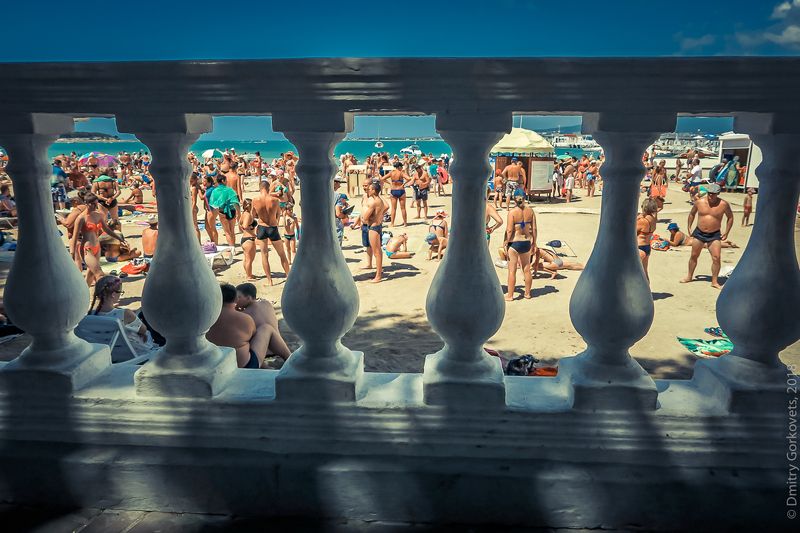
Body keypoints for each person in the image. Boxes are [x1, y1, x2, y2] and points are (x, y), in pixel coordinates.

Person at [680, 182, 734, 289]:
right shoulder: (699, 202)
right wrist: (689, 227)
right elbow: (692, 214)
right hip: (699, 232)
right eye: (709, 193)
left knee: (716, 257)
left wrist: (727, 232)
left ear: (718, 193)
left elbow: (730, 217)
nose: (710, 195)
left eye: (713, 194)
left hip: (714, 234)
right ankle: (689, 276)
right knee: (694, 256)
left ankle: (714, 281)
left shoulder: (723, 204)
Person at [71, 193, 128, 286]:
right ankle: (104, 298)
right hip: (87, 249)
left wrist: (120, 238)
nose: (95, 206)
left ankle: (85, 295)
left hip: (97, 247)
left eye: (96, 203)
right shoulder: (81, 218)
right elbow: (75, 236)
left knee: (90, 274)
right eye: (92, 204)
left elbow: (107, 230)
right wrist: (72, 253)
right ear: (86, 203)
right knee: (99, 274)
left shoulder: (98, 215)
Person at [89, 275, 154, 354]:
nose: (120, 294)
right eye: (120, 292)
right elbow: (143, 330)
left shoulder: (89, 316)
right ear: (113, 294)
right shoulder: (125, 314)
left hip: (109, 353)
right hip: (135, 353)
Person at [206, 283, 265, 369]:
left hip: (214, 364)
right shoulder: (245, 318)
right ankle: (287, 357)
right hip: (245, 366)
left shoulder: (208, 317)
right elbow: (253, 336)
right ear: (236, 299)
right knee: (266, 328)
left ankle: (266, 365)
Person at [235, 283, 292, 362]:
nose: (235, 300)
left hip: (262, 352)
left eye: (238, 297)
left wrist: (237, 312)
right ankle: (289, 358)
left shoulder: (244, 315)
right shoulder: (267, 303)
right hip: (280, 346)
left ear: (248, 298)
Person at [253, 180, 291, 284]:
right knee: (282, 254)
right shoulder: (275, 200)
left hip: (261, 227)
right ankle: (289, 276)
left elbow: (254, 215)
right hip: (272, 227)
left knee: (264, 255)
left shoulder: (255, 200)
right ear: (268, 188)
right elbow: (277, 214)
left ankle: (270, 281)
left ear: (260, 188)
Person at [504, 193, 536, 301]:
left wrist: (506, 242)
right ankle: (527, 294)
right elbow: (534, 229)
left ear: (514, 199)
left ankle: (510, 295)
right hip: (526, 242)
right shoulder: (530, 211)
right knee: (526, 269)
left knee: (512, 271)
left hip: (514, 242)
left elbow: (509, 230)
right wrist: (534, 242)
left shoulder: (512, 212)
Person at [360, 182, 387, 282]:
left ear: (374, 190)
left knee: (377, 252)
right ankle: (378, 274)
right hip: (377, 226)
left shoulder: (373, 202)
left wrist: (364, 219)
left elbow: (365, 217)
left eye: (370, 189)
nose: (368, 190)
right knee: (378, 251)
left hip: (373, 228)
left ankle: (378, 276)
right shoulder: (379, 200)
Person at [209, 175, 239, 247]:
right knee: (232, 231)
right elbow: (235, 202)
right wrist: (239, 213)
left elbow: (212, 204)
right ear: (223, 181)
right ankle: (233, 248)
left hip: (222, 212)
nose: (227, 181)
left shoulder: (215, 191)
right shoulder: (230, 190)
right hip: (232, 211)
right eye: (226, 180)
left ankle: (231, 248)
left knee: (227, 232)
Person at [381, 161, 412, 227]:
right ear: (399, 167)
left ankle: (392, 223)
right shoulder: (401, 173)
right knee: (403, 208)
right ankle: (405, 223)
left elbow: (382, 178)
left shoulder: (391, 173)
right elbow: (409, 178)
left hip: (393, 190)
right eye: (402, 167)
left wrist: (389, 183)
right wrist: (403, 184)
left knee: (393, 208)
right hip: (401, 190)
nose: (402, 168)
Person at [637, 198, 658, 283]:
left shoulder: (643, 221)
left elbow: (631, 231)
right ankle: (648, 293)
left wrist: (637, 218)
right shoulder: (653, 219)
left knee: (635, 273)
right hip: (647, 247)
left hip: (639, 247)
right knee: (645, 273)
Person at [238, 198, 258, 281]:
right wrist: (252, 232)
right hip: (249, 239)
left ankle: (248, 273)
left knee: (246, 258)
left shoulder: (243, 214)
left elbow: (240, 224)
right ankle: (249, 276)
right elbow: (245, 226)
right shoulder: (248, 215)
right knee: (249, 259)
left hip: (244, 239)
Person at [202, 175, 219, 244]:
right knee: (207, 227)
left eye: (205, 182)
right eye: (203, 181)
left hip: (212, 210)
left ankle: (216, 243)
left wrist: (199, 190)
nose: (203, 183)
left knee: (212, 227)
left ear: (209, 182)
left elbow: (202, 197)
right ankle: (212, 240)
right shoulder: (208, 189)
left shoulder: (211, 189)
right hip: (209, 209)